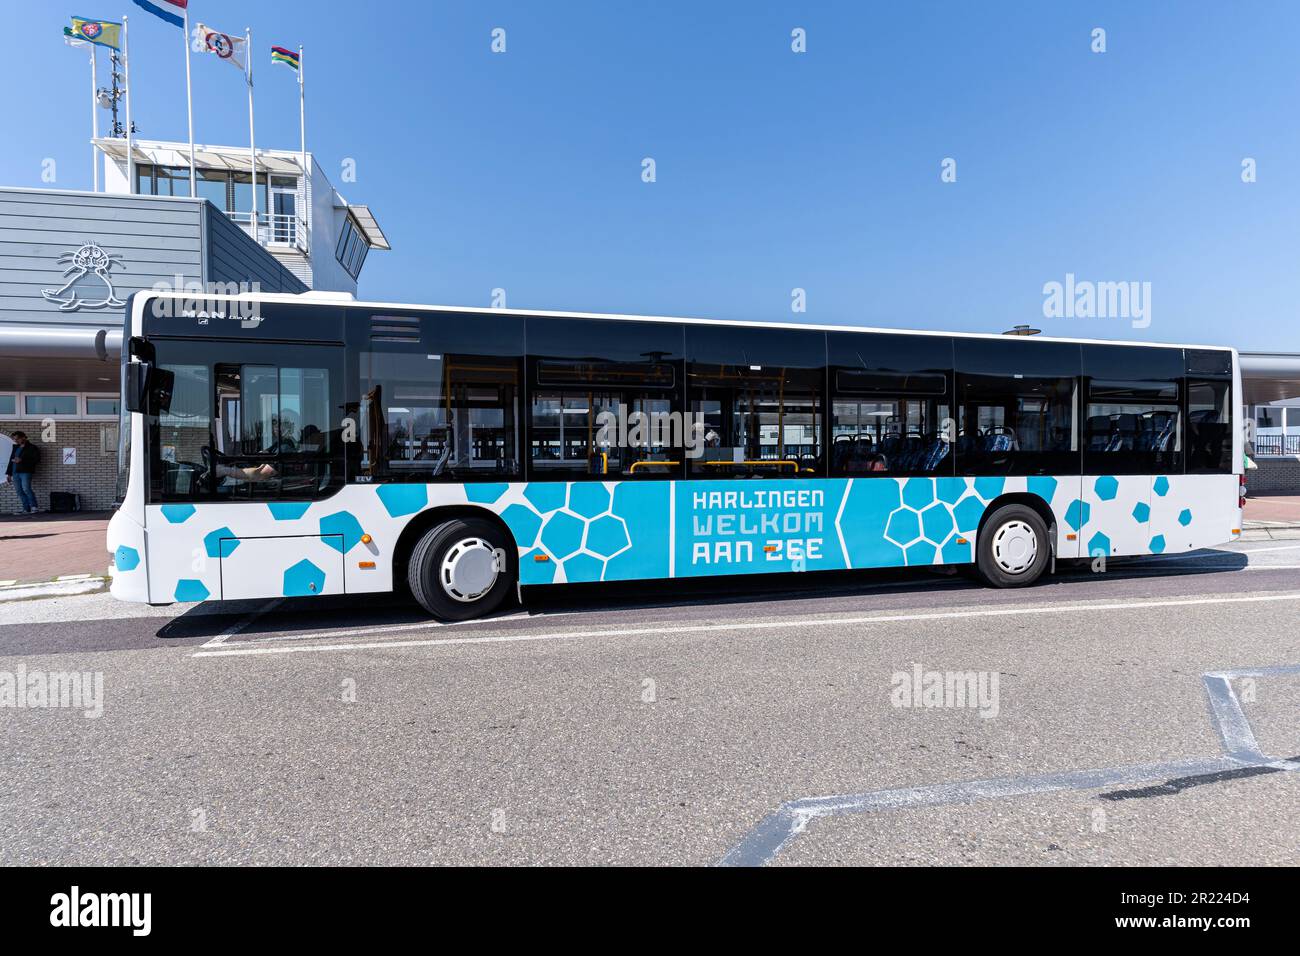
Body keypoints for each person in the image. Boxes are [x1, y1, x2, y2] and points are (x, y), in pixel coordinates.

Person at [6, 431, 40, 515]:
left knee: (26, 489)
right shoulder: (15, 447)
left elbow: (36, 459)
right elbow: (11, 461)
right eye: (14, 439)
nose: (16, 441)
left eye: (17, 439)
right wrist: (9, 474)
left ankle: (34, 507)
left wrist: (22, 460)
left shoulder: (32, 447)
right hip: (15, 472)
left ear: (24, 437)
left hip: (25, 471)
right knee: (19, 491)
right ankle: (26, 509)